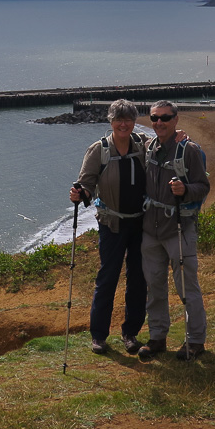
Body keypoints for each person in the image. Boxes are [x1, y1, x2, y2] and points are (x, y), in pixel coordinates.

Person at [69, 99, 150, 355]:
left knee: (138, 280)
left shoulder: (143, 145)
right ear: (111, 121)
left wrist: (182, 138)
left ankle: (130, 334)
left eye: (128, 119)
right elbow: (87, 184)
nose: (123, 123)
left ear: (134, 121)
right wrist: (79, 194)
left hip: (140, 222)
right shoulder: (99, 150)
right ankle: (99, 336)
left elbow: (165, 153)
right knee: (108, 279)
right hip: (111, 224)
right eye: (118, 119)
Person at [137, 100, 210, 361]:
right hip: (151, 230)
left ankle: (195, 341)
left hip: (179, 228)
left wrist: (185, 190)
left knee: (187, 288)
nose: (159, 123)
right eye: (154, 118)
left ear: (176, 120)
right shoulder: (147, 146)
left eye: (165, 118)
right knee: (154, 287)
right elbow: (120, 137)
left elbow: (203, 186)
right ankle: (157, 337)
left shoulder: (188, 150)